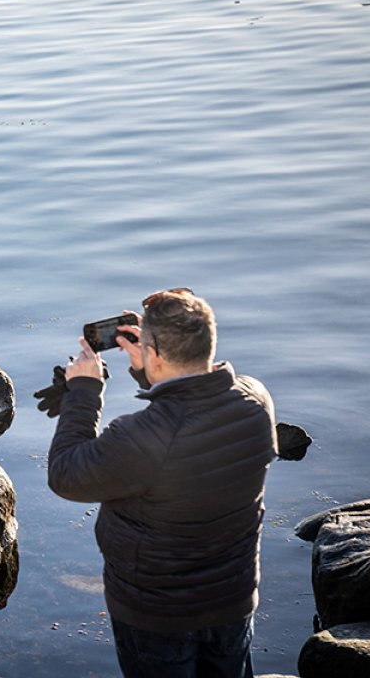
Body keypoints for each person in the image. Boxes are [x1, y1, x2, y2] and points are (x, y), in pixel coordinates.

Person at [43, 289, 277, 678]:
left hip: (157, 616)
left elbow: (66, 476)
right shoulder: (255, 401)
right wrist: (148, 370)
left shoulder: (140, 437)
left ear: (153, 353)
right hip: (233, 601)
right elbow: (191, 406)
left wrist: (83, 394)